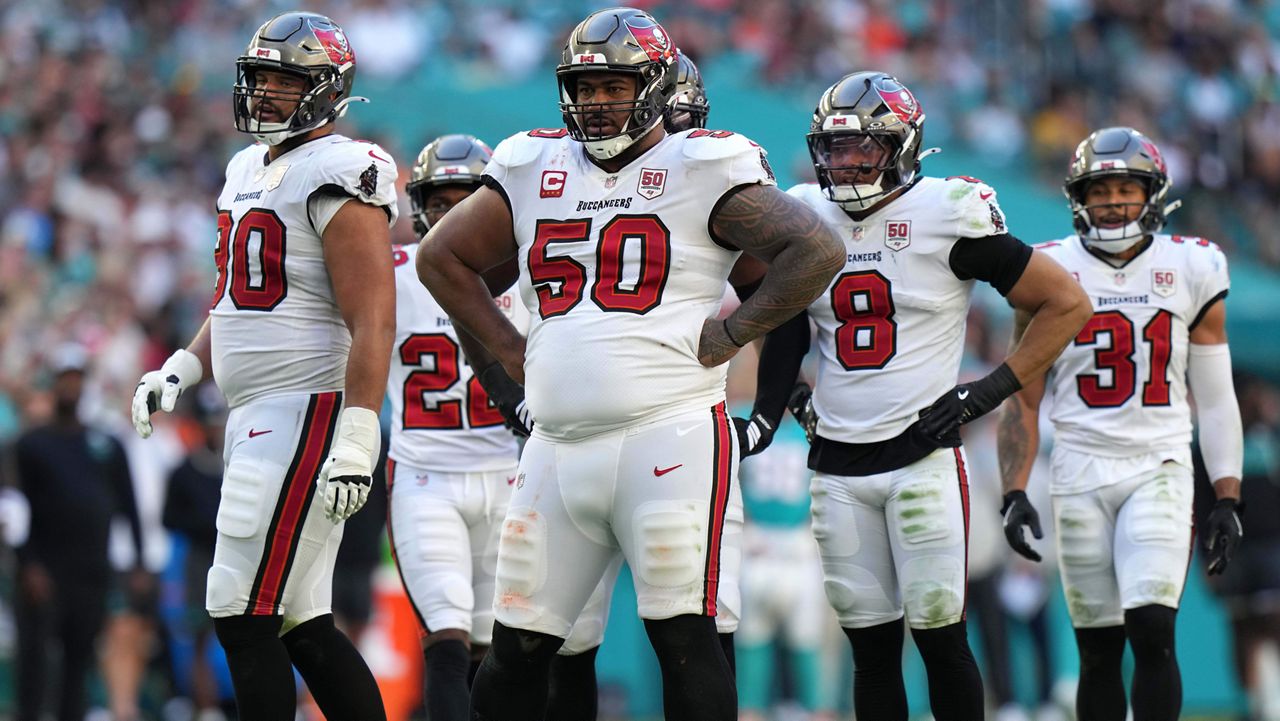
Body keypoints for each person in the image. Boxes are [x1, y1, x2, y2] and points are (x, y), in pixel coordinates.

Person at [417, 8, 845, 720]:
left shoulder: (701, 163)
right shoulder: (532, 163)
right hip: (556, 445)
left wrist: (733, 332)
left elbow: (818, 251)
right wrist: (512, 346)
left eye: (611, 85)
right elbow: (441, 258)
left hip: (667, 433)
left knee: (683, 637)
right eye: (584, 87)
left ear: (651, 84)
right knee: (516, 651)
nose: (595, 101)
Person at [759, 70, 1091, 721]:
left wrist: (983, 391)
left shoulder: (946, 210)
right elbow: (773, 319)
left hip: (922, 458)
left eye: (862, 147)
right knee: (872, 653)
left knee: (941, 639)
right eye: (832, 147)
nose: (844, 161)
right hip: (837, 467)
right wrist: (791, 397)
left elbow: (1064, 302)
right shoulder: (803, 212)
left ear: (901, 147)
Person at [130, 11, 397, 721]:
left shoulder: (341, 168)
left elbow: (372, 318)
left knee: (238, 607)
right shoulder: (247, 168)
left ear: (327, 89)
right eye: (262, 77)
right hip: (257, 413)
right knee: (299, 622)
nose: (269, 93)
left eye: (288, 79)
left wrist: (360, 432)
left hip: (308, 407)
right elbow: (239, 300)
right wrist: (181, 368)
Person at [997, 126, 1244, 721]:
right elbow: (1022, 396)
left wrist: (1227, 495)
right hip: (1078, 467)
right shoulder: (1048, 269)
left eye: (1125, 188)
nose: (1112, 200)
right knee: (1098, 652)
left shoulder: (1192, 264)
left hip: (1158, 464)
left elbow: (1214, 397)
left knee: (1153, 626)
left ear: (1152, 193)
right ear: (1078, 197)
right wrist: (1013, 490)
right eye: (1100, 188)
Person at [544, 48, 748, 721]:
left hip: (681, 426)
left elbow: (790, 285)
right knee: (562, 633)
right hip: (571, 432)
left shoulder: (710, 179)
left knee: (697, 623)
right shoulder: (567, 181)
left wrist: (757, 395)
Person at [388, 132, 528, 721]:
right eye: (439, 201)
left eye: (463, 200)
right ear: (419, 205)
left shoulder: (527, 275)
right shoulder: (389, 272)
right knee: (445, 642)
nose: (449, 215)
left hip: (511, 473)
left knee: (499, 648)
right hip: (427, 475)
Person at [14, 344, 146, 721]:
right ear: (52, 383)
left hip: (90, 569)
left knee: (79, 657)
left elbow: (129, 503)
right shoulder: (30, 444)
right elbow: (17, 510)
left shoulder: (105, 444)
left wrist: (137, 560)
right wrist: (29, 565)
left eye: (76, 378)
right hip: (45, 570)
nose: (70, 386)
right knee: (35, 659)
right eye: (63, 378)